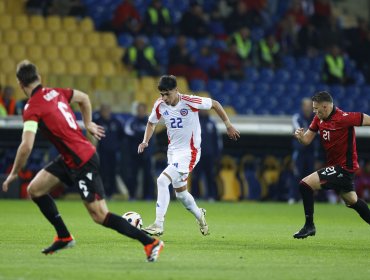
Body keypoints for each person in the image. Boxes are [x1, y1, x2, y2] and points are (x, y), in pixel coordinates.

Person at [2, 60, 163, 262]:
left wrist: (14, 172)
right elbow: (84, 98)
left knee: (99, 215)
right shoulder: (57, 92)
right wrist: (87, 123)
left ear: (19, 83)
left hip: (82, 160)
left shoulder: (31, 107)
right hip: (70, 157)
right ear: (39, 78)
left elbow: (26, 146)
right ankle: (64, 236)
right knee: (35, 189)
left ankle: (150, 242)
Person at [138, 75, 240, 236]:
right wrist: (145, 141)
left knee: (162, 180)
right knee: (181, 194)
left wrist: (228, 125)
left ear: (176, 90)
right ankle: (200, 215)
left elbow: (215, 104)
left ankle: (158, 224)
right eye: (161, 94)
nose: (164, 98)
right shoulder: (159, 105)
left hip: (189, 152)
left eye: (167, 94)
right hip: (173, 153)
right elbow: (151, 122)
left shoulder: (189, 101)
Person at [293, 91, 370, 239]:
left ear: (326, 106)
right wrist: (300, 137)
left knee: (305, 184)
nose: (314, 111)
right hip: (336, 168)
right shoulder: (318, 119)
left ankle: (309, 226)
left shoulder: (344, 118)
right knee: (352, 201)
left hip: (344, 168)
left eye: (317, 109)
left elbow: (367, 119)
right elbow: (307, 140)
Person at [93, 104, 125, 198]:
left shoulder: (116, 122)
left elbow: (121, 136)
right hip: (102, 152)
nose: (105, 112)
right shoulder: (98, 121)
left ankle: (111, 193)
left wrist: (117, 146)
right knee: (102, 172)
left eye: (107, 110)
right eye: (103, 110)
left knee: (112, 173)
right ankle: (102, 193)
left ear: (110, 110)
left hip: (113, 153)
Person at [125, 102, 155, 200]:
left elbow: (153, 139)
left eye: (143, 110)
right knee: (133, 176)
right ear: (137, 111)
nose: (141, 112)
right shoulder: (131, 122)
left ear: (145, 111)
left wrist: (150, 152)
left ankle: (148, 196)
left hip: (147, 155)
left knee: (148, 176)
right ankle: (132, 195)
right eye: (139, 110)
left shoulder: (150, 122)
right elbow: (128, 134)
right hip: (135, 154)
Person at [191, 110, 222, 200]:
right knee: (196, 176)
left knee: (210, 176)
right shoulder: (194, 122)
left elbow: (217, 140)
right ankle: (195, 196)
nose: (204, 111)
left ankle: (211, 196)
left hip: (209, 155)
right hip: (196, 155)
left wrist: (217, 155)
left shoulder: (211, 123)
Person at [290, 98, 317, 204]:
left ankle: (305, 198)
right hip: (300, 151)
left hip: (310, 151)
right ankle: (293, 197)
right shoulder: (297, 117)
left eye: (310, 105)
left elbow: (316, 134)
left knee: (309, 176)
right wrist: (309, 134)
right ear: (302, 107)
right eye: (306, 105)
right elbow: (298, 133)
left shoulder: (315, 118)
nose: (308, 108)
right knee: (297, 174)